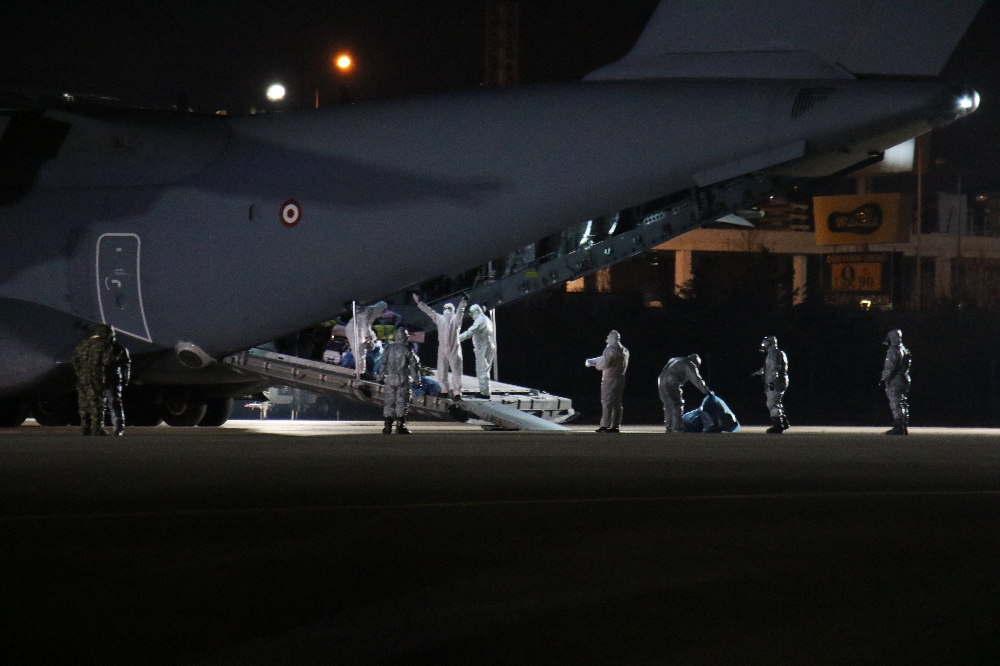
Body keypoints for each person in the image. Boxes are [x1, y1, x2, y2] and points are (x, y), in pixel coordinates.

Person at [414, 293, 468, 400]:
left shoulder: (450, 320)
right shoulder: (446, 319)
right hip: (448, 350)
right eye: (446, 308)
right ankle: (448, 391)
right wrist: (463, 303)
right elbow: (430, 312)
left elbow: (430, 312)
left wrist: (419, 303)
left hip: (452, 350)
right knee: (444, 371)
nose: (447, 311)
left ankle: (453, 391)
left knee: (454, 372)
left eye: (448, 309)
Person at [72, 324, 116, 436]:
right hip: (96, 377)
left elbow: (74, 360)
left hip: (82, 378)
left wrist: (80, 372)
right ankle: (97, 428)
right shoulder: (104, 345)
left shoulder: (83, 344)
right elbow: (108, 361)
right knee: (97, 402)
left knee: (83, 403)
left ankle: (85, 428)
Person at [377, 327, 420, 434]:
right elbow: (414, 366)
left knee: (389, 402)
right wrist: (417, 380)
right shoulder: (407, 349)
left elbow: (382, 363)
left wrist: (381, 377)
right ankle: (400, 425)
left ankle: (387, 426)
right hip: (403, 378)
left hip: (390, 378)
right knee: (402, 401)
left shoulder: (388, 348)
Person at [585, 330, 629, 433]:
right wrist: (595, 360)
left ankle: (605, 425)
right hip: (620, 379)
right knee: (617, 403)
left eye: (609, 336)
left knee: (607, 402)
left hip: (609, 379)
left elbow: (605, 364)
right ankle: (615, 425)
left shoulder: (610, 349)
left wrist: (593, 363)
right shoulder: (625, 350)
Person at [658, 354, 711, 433]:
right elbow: (696, 379)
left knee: (667, 404)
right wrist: (706, 391)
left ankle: (669, 427)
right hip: (671, 380)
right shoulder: (689, 364)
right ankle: (677, 428)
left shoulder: (675, 359)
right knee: (677, 404)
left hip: (660, 379)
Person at [751, 335, 789, 434]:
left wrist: (772, 381)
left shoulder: (773, 354)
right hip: (780, 381)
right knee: (777, 402)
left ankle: (777, 425)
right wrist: (758, 372)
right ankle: (783, 421)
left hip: (775, 382)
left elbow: (775, 369)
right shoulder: (777, 353)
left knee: (772, 403)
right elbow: (769, 368)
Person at [458, 304, 495, 399]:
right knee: (484, 370)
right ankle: (484, 391)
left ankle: (484, 393)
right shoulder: (486, 319)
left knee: (482, 370)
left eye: (472, 313)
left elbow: (470, 332)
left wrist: (457, 339)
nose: (471, 316)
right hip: (488, 347)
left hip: (483, 347)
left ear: (477, 311)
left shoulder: (480, 320)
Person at [344, 301, 388, 379]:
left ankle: (361, 371)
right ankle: (360, 372)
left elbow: (367, 325)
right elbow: (365, 324)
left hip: (358, 330)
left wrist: (371, 337)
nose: (382, 314)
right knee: (359, 351)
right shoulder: (370, 311)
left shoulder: (370, 311)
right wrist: (370, 335)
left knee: (363, 349)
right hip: (355, 330)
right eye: (383, 311)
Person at [880, 328, 912, 435]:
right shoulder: (904, 349)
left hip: (895, 380)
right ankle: (903, 425)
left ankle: (898, 426)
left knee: (896, 402)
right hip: (904, 378)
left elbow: (890, 366)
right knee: (902, 403)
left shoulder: (893, 351)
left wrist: (884, 378)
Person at [104, 334, 132, 436]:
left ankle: (118, 428)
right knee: (108, 405)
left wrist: (126, 378)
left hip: (111, 380)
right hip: (105, 380)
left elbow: (126, 364)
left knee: (114, 404)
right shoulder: (99, 349)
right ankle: (116, 428)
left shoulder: (118, 349)